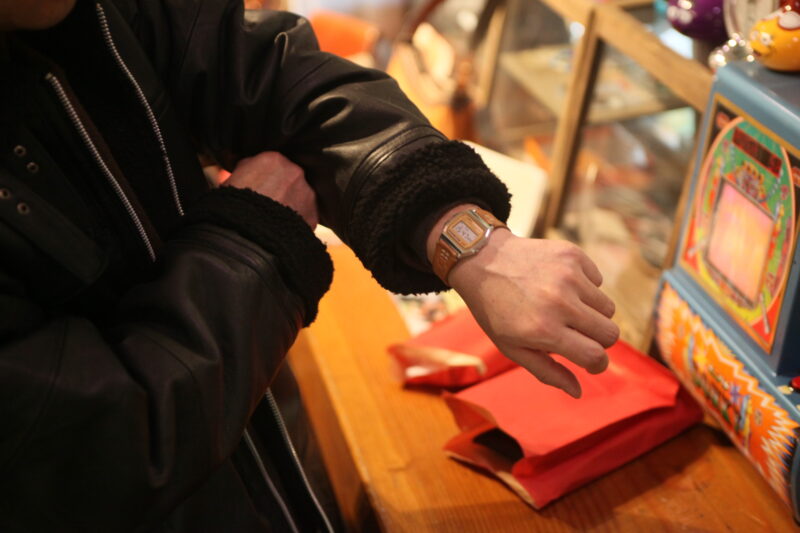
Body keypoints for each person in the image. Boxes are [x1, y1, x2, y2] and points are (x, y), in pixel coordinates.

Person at [0, 0, 619, 531]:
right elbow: (90, 454)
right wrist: (255, 243)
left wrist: (471, 241)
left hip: (264, 450)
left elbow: (273, 76)